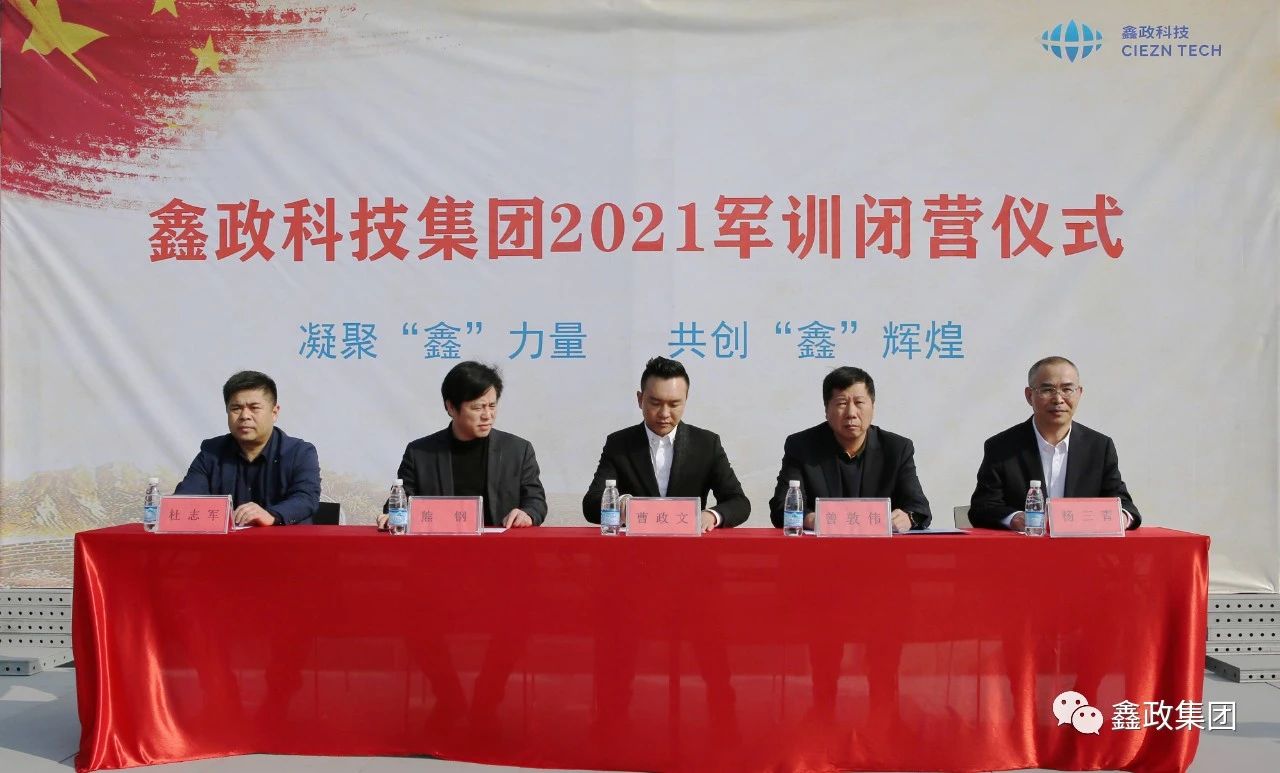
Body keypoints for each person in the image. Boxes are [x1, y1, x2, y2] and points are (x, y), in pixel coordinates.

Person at [969, 355, 1140, 530]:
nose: (1058, 399)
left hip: (1082, 545)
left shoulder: (1099, 447)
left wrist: (1121, 518)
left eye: (1067, 389)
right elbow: (982, 507)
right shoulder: (1002, 447)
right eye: (1047, 389)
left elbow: (1124, 505)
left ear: (1079, 393)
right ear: (1029, 395)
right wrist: (1015, 518)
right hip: (1025, 545)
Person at [582, 356, 749, 531]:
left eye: (674, 404)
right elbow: (591, 503)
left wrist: (712, 515)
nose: (664, 413)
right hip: (635, 545)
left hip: (689, 545)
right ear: (640, 399)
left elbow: (739, 502)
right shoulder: (619, 444)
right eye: (655, 403)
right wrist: (620, 504)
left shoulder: (707, 444)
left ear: (685, 400)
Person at [380, 361, 546, 528]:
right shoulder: (420, 453)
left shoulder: (518, 450)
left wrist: (527, 513)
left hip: (500, 542)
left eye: (492, 406)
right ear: (451, 407)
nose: (487, 415)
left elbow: (536, 501)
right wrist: (391, 517)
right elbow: (398, 503)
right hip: (441, 542)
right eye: (478, 408)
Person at [768, 366, 931, 532]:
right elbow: (781, 507)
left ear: (872, 407)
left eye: (859, 402)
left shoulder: (896, 449)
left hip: (880, 546)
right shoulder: (801, 446)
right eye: (842, 403)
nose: (851, 413)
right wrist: (811, 519)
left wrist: (908, 518)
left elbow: (919, 508)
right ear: (826, 409)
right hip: (822, 546)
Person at [175, 370, 320, 526]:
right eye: (236, 408)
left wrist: (272, 515)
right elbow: (186, 499)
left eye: (254, 408)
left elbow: (306, 498)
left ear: (274, 412)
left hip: (284, 540)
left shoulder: (299, 453)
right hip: (226, 541)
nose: (245, 416)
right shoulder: (211, 453)